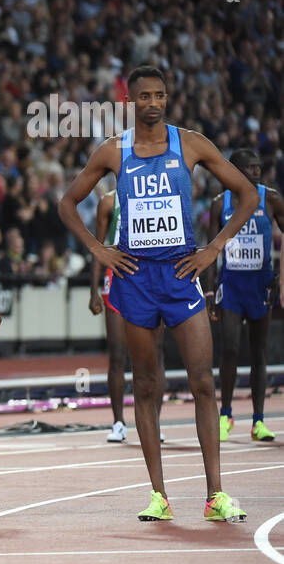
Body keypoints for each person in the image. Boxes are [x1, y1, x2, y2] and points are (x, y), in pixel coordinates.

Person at [58, 66, 256, 523]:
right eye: (144, 96)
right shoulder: (113, 151)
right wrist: (98, 249)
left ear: (167, 98)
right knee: (146, 386)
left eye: (159, 95)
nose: (152, 103)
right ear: (130, 101)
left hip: (182, 273)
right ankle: (159, 496)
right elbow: (67, 204)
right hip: (134, 279)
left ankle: (215, 495)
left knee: (202, 382)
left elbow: (246, 194)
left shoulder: (190, 143)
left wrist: (213, 249)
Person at [207, 148, 284, 442]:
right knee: (228, 349)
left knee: (259, 353)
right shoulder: (220, 204)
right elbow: (211, 250)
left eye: (258, 167)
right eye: (250, 168)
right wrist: (210, 289)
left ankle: (259, 421)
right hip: (231, 285)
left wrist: (279, 276)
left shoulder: (271, 198)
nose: (257, 172)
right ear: (235, 171)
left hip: (260, 285)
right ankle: (225, 415)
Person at [89, 188, 166, 444]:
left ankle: (154, 420)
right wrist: (93, 290)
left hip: (148, 278)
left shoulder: (153, 197)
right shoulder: (108, 202)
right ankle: (119, 422)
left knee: (155, 353)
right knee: (118, 353)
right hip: (117, 278)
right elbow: (98, 248)